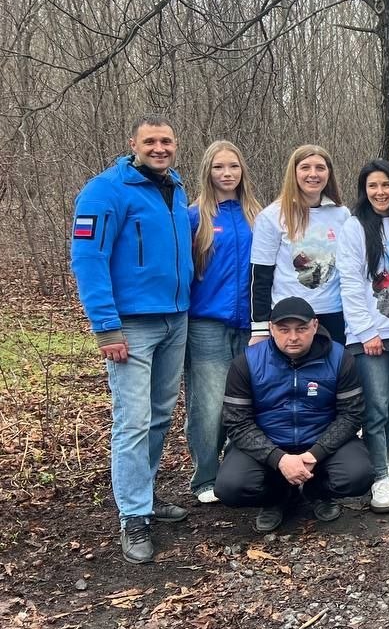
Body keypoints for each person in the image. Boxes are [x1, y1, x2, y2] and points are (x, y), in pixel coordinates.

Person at [70, 115, 194, 564]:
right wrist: (106, 326)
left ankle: (145, 494)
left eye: (167, 141)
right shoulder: (105, 191)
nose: (160, 148)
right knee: (133, 420)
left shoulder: (175, 188)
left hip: (176, 318)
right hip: (132, 326)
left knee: (159, 415)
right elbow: (88, 258)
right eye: (151, 141)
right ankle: (133, 515)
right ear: (133, 144)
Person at [215, 298, 373, 532]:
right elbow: (237, 422)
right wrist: (278, 459)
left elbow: (351, 415)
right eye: (284, 330)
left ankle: (317, 491)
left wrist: (315, 454)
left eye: (301, 329)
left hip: (320, 442)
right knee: (230, 487)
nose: (293, 337)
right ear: (271, 328)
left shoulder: (340, 357)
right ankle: (278, 496)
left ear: (315, 326)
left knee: (359, 475)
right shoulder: (246, 362)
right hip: (268, 442)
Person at [185, 140, 261, 505]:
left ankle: (235, 469)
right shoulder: (194, 217)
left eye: (233, 166)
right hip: (207, 324)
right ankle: (205, 476)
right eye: (219, 167)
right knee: (209, 405)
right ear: (207, 172)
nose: (227, 173)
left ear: (242, 170)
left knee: (245, 401)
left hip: (251, 325)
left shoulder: (257, 215)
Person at [338, 160, 389, 513]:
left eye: (386, 185)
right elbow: (351, 283)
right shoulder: (354, 228)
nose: (380, 192)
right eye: (372, 186)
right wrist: (367, 331)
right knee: (376, 408)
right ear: (364, 191)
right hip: (369, 334)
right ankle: (378, 477)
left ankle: (382, 463)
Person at [251, 145, 350, 344]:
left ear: (329, 173)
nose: (313, 174)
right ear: (294, 172)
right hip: (289, 317)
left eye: (320, 168)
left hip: (334, 314)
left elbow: (349, 271)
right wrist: (260, 329)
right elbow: (260, 276)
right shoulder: (271, 216)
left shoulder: (342, 214)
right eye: (305, 167)